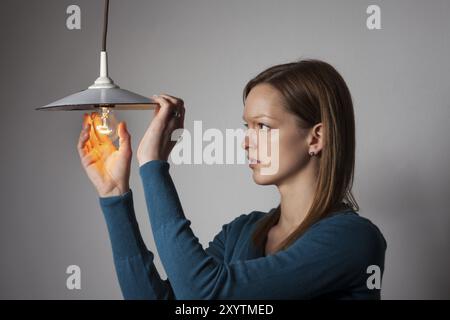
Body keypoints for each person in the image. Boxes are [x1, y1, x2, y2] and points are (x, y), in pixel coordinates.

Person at [77, 59, 387, 299]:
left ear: (316, 138)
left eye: (263, 127)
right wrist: (115, 196)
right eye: (246, 127)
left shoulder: (353, 239)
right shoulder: (242, 232)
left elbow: (204, 295)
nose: (246, 141)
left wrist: (154, 166)